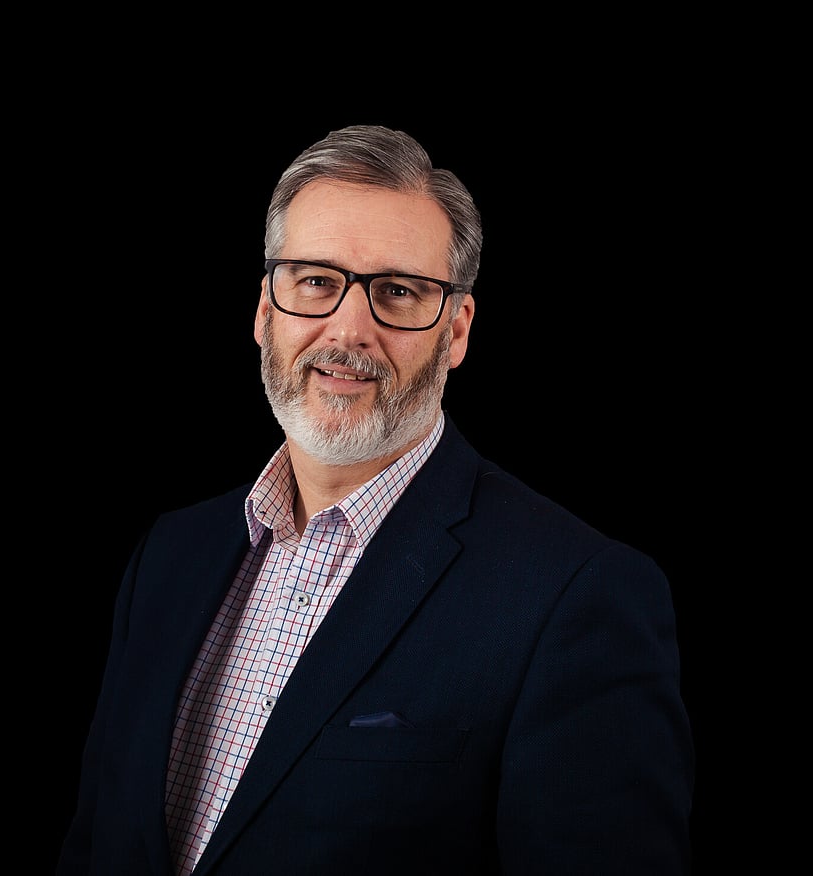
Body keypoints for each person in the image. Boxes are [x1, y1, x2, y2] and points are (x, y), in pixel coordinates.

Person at [57, 124, 694, 875]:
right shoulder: (169, 555)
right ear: (264, 310)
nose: (349, 329)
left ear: (456, 331)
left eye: (398, 291)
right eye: (315, 281)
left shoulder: (577, 596)